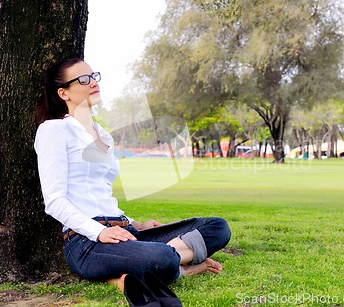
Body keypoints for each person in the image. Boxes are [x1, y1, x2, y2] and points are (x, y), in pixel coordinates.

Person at [34, 58, 231, 291]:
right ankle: (180, 266)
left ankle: (158, 262)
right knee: (162, 257)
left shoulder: (103, 135)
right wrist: (100, 232)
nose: (93, 82)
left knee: (217, 228)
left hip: (126, 232)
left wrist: (136, 224)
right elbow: (54, 201)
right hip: (87, 242)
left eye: (94, 76)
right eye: (83, 79)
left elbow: (101, 194)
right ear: (63, 93)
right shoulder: (54, 130)